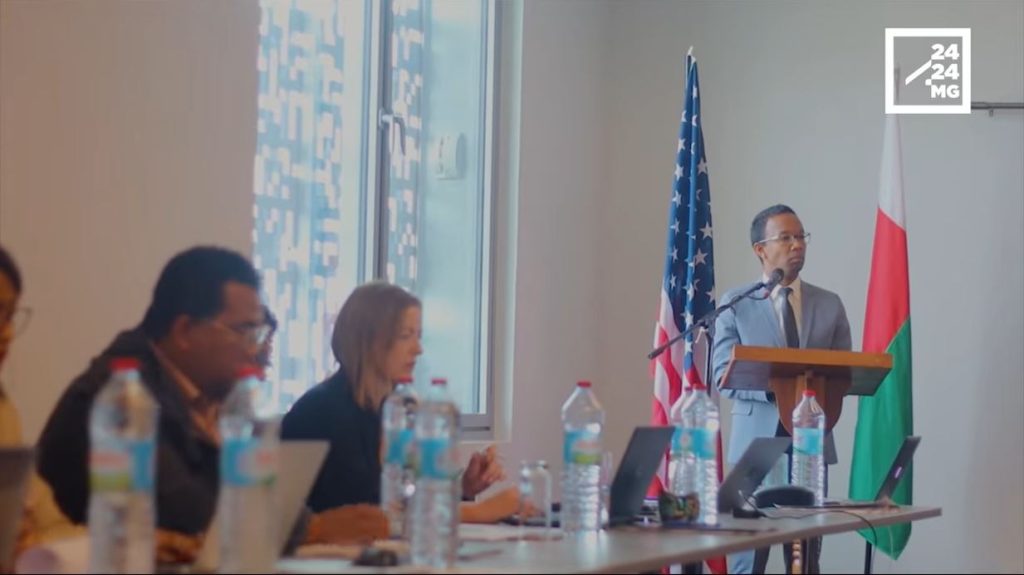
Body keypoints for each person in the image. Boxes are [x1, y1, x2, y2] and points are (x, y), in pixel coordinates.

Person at [36, 246, 269, 561]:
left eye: (258, 333)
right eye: (244, 332)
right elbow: (186, 512)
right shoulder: (118, 398)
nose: (254, 350)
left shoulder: (212, 398)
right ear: (184, 331)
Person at [281, 281, 507, 520]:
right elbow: (364, 513)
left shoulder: (397, 408)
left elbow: (409, 498)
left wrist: (465, 488)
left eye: (418, 336)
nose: (418, 349)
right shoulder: (322, 411)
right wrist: (480, 512)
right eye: (405, 336)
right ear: (368, 340)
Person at [712, 205, 851, 575]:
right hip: (755, 446)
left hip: (809, 445)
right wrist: (776, 390)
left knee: (806, 558)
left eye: (801, 236)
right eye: (785, 237)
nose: (797, 245)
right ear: (760, 249)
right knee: (748, 558)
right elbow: (721, 373)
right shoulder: (736, 304)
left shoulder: (830, 304)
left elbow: (845, 373)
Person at [0, 245, 82, 568]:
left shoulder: (4, 412)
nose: (7, 334)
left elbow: (51, 524)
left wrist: (124, 539)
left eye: (9, 316)